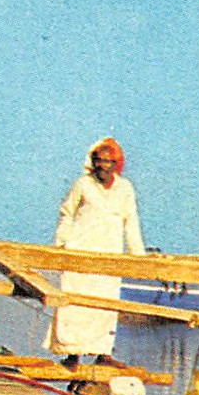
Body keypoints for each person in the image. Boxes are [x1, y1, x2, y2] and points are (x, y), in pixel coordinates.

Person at [44, 137, 145, 366]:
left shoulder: (125, 188)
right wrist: (60, 246)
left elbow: (131, 222)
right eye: (98, 161)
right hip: (80, 251)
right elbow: (66, 213)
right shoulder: (83, 184)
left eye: (107, 162)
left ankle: (103, 354)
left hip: (109, 255)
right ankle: (72, 355)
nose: (102, 166)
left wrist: (138, 256)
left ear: (115, 164)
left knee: (105, 303)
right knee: (75, 304)